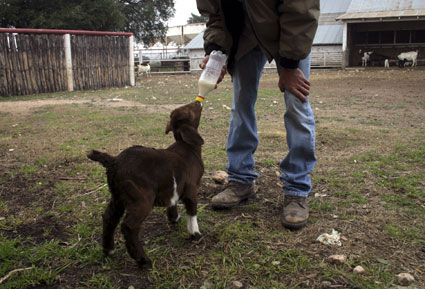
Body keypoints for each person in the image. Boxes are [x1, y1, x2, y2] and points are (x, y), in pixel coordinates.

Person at [197, 0, 319, 230]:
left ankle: (296, 189)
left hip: (289, 29)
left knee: (297, 102)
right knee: (240, 103)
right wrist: (217, 51)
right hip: (243, 36)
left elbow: (301, 10)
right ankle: (241, 179)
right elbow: (216, 17)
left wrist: (291, 66)